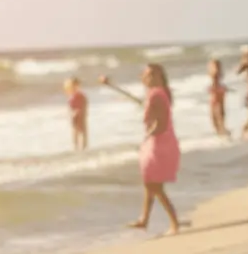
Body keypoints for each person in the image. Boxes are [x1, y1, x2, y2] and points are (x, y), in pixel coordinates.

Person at [99, 65, 181, 235]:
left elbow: (161, 123)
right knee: (149, 182)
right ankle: (144, 219)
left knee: (155, 185)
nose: (148, 77)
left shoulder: (156, 94)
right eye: (146, 74)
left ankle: (174, 223)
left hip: (158, 143)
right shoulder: (158, 93)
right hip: (162, 141)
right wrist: (111, 85)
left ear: (159, 76)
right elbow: (142, 104)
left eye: (152, 74)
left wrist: (146, 137)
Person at [207, 58, 230, 138]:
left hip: (216, 98)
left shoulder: (215, 75)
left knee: (217, 115)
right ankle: (222, 131)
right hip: (217, 97)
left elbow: (215, 87)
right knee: (218, 115)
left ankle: (222, 132)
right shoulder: (217, 76)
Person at [63, 76, 88, 151]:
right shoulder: (73, 95)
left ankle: (82, 146)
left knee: (81, 130)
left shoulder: (79, 95)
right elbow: (70, 106)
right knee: (77, 130)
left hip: (79, 113)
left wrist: (82, 111)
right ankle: (77, 146)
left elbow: (84, 104)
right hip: (76, 114)